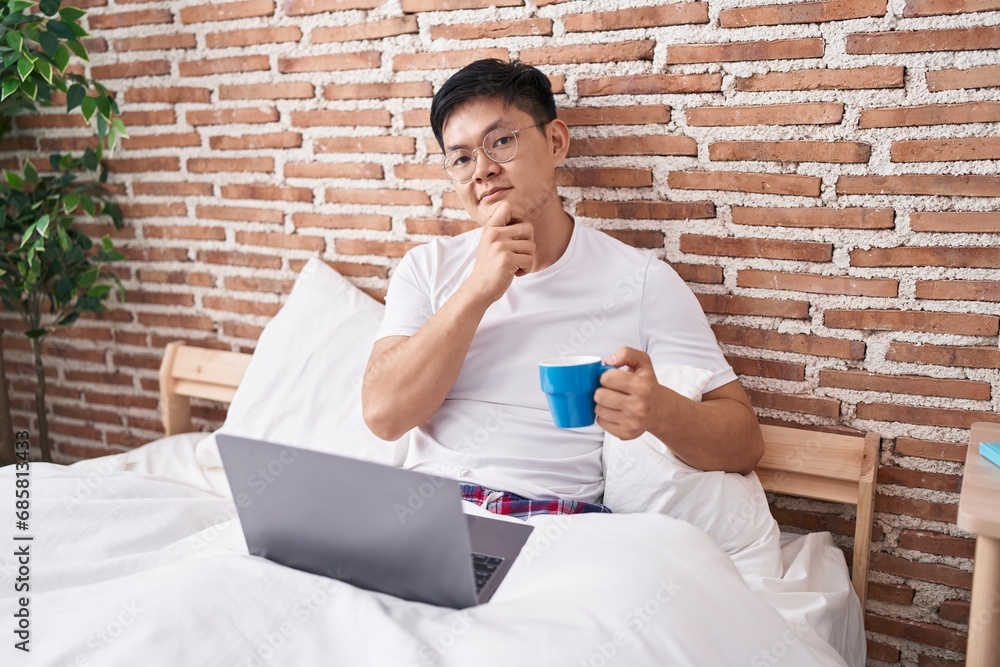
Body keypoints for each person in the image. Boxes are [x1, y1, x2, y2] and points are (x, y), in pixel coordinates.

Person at [362, 58, 764, 518]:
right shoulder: (427, 267)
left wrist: (659, 411)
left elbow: (745, 443)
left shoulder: (641, 280)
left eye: (502, 142)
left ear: (555, 142)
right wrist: (476, 291)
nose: (482, 170)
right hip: (426, 512)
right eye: (462, 157)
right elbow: (383, 416)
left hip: (555, 523)